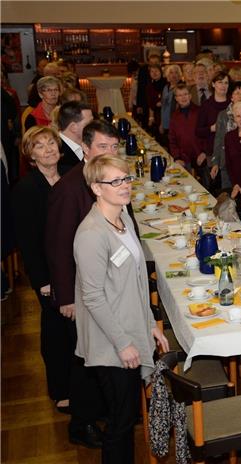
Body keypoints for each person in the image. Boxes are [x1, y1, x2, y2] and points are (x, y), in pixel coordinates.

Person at [74, 154, 168, 463]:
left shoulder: (123, 217)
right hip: (110, 340)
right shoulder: (91, 234)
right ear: (96, 188)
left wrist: (150, 321)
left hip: (130, 328)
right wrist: (123, 342)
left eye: (126, 178)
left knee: (127, 418)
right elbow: (93, 297)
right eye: (115, 181)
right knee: (120, 421)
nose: (125, 185)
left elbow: (138, 280)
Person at [46, 120, 122, 449]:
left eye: (114, 147)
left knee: (99, 355)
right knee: (85, 358)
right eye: (102, 147)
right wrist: (65, 297)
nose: (110, 153)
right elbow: (58, 246)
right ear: (86, 149)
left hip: (105, 286)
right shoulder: (70, 187)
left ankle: (103, 410)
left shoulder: (107, 180)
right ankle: (82, 422)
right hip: (82, 291)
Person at [12, 126, 71, 414]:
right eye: (40, 146)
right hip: (48, 272)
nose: (48, 149)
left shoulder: (72, 177)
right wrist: (43, 281)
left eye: (51, 143)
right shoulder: (26, 189)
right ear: (30, 154)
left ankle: (80, 383)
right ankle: (60, 388)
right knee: (55, 330)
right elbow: (28, 241)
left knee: (75, 329)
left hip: (77, 266)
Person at [211, 81, 241, 190]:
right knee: (229, 199)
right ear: (231, 97)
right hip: (227, 164)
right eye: (237, 93)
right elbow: (218, 140)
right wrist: (215, 162)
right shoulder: (223, 115)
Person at [196, 71, 230, 188]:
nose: (223, 85)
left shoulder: (232, 104)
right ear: (213, 84)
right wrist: (212, 128)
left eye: (226, 83)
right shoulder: (206, 105)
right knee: (214, 189)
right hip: (211, 154)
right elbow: (198, 131)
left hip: (230, 153)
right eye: (220, 82)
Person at [168, 83, 203, 170]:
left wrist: (204, 152)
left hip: (200, 156)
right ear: (176, 98)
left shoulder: (200, 112)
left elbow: (206, 134)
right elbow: (172, 140)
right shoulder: (174, 116)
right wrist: (177, 157)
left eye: (185, 94)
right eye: (179, 95)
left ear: (190, 96)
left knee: (204, 182)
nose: (183, 97)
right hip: (183, 158)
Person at [57, 101, 93, 170]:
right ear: (73, 127)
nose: (94, 126)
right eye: (89, 123)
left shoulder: (88, 143)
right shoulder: (57, 152)